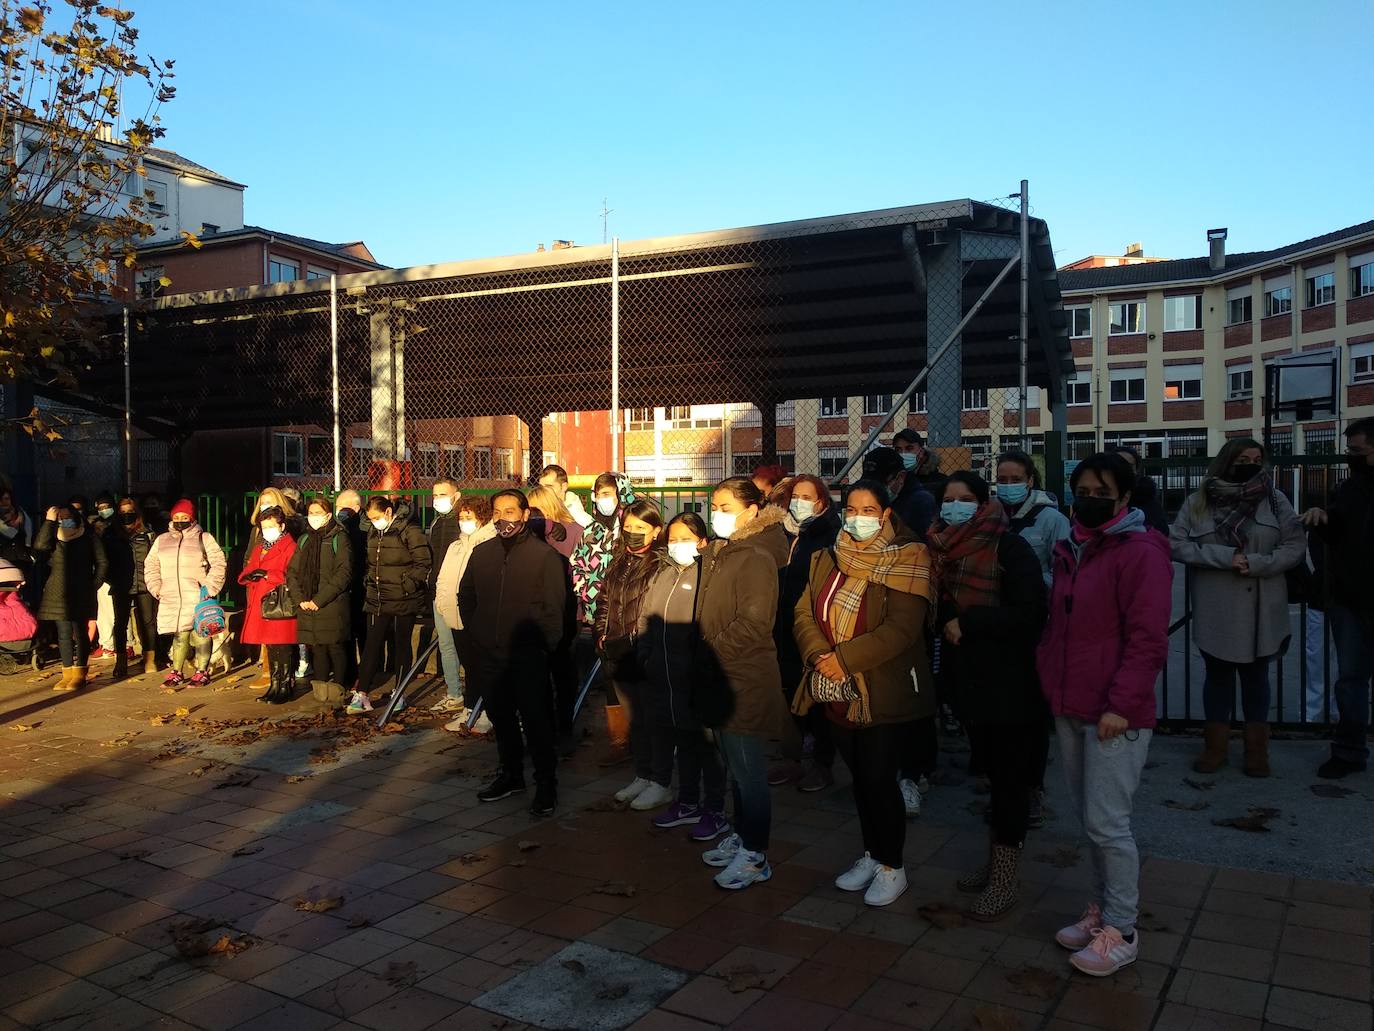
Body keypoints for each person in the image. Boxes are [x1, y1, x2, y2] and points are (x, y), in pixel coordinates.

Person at [1037, 452, 1172, 977]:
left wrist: (1122, 702)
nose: (1088, 498)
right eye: (1082, 488)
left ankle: (1123, 928)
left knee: (1108, 824)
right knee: (1090, 822)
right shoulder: (1073, 546)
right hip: (1071, 702)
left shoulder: (1139, 552)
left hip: (1116, 712)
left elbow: (1147, 638)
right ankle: (1100, 913)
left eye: (1101, 490)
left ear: (1124, 497)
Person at [792, 479, 934, 907]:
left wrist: (845, 659)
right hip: (834, 687)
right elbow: (803, 611)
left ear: (886, 514)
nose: (858, 517)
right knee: (859, 780)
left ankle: (894, 866)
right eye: (851, 508)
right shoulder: (827, 557)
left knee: (879, 779)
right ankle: (872, 854)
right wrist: (820, 654)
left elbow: (902, 630)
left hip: (880, 688)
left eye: (869, 510)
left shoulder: (909, 558)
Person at [927, 472, 1048, 919]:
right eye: (947, 499)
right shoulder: (941, 550)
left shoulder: (1009, 547)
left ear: (982, 504)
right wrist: (947, 620)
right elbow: (941, 609)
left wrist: (970, 622)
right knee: (994, 780)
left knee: (1010, 782)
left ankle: (1004, 879)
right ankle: (993, 862)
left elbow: (1032, 612)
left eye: (964, 500)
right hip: (970, 684)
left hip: (1010, 684)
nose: (954, 506)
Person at [1171, 439, 1305, 777]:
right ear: (1227, 461)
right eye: (1243, 459)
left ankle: (1256, 752)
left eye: (1257, 459)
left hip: (1262, 603)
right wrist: (1225, 558)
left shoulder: (1275, 500)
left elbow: (1295, 546)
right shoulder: (1198, 501)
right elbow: (1176, 544)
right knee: (1217, 678)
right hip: (1217, 604)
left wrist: (1259, 563)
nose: (1250, 464)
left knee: (1256, 679)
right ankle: (1214, 748)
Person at [695, 476, 790, 891]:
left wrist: (708, 651)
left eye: (725, 508)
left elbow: (753, 623)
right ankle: (742, 835)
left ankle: (756, 855)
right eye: (713, 506)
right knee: (734, 766)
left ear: (752, 512)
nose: (716, 515)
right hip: (718, 675)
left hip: (742, 678)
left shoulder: (757, 555)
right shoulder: (723, 551)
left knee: (749, 771)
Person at [459, 489, 568, 817]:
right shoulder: (482, 553)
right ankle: (511, 775)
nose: (502, 517)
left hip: (527, 655)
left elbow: (554, 609)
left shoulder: (544, 556)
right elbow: (467, 595)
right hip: (490, 653)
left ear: (524, 515)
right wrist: (476, 631)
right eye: (497, 511)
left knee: (536, 721)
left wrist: (543, 646)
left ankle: (546, 784)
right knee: (501, 718)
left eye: (510, 511)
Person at [638, 512, 730, 840]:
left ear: (702, 542)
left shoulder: (710, 575)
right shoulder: (663, 574)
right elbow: (647, 617)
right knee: (684, 743)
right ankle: (688, 801)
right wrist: (646, 656)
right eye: (673, 539)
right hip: (664, 677)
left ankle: (715, 808)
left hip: (696, 679)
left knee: (708, 748)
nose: (678, 545)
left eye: (686, 539)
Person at [995, 450, 1071, 826]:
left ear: (1030, 481)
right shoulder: (992, 518)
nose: (1007, 485)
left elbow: (1065, 578)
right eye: (1001, 478)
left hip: (1036, 626)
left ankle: (1032, 788)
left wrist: (1025, 576)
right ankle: (1003, 787)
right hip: (999, 626)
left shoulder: (1052, 520)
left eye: (1014, 479)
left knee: (1031, 712)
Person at [1301, 416, 1374, 779]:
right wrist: (1323, 520)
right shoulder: (1350, 488)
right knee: (1350, 679)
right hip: (1350, 599)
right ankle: (1348, 752)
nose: (1352, 456)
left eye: (1357, 450)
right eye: (1350, 450)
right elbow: (1338, 531)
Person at [597, 500, 671, 810]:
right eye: (628, 528)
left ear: (656, 530)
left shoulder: (660, 565)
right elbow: (604, 598)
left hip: (645, 651)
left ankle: (661, 781)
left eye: (641, 529)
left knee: (654, 719)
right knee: (635, 720)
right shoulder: (618, 560)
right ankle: (642, 774)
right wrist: (602, 630)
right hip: (617, 650)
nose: (633, 534)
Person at [770, 474, 842, 791]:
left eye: (806, 496)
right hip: (779, 626)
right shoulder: (780, 533)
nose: (798, 502)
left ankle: (823, 764)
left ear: (821, 502)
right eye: (794, 496)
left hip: (811, 628)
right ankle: (792, 759)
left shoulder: (829, 535)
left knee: (815, 699)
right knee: (787, 696)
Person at [569, 471, 637, 759]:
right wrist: (589, 592)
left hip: (630, 616)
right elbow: (577, 565)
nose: (601, 499)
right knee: (610, 676)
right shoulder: (592, 531)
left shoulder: (633, 528)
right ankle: (619, 740)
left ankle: (642, 737)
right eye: (598, 493)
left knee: (633, 678)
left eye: (608, 493)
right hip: (600, 615)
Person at [351, 496, 431, 715]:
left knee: (402, 644)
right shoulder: (374, 531)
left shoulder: (410, 530)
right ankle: (362, 693)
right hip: (378, 597)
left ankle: (400, 692)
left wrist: (408, 585)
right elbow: (371, 561)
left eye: (376, 517)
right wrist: (370, 581)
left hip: (404, 597)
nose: (373, 522)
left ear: (388, 512)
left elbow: (423, 562)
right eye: (370, 518)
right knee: (371, 646)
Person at [144, 500, 227, 688]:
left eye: (184, 517)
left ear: (192, 518)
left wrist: (210, 587)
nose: (180, 521)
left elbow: (218, 562)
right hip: (171, 596)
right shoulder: (162, 540)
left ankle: (202, 671)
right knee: (179, 636)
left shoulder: (204, 538)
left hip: (198, 596)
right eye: (176, 518)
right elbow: (151, 565)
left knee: (201, 635)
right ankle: (177, 672)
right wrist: (156, 587)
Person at [527, 484, 584, 752]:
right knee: (564, 671)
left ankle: (548, 727)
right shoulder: (574, 530)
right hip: (569, 609)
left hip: (546, 608)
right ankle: (565, 727)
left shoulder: (542, 532)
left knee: (546, 672)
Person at [435, 495, 497, 729]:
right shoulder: (456, 545)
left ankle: (488, 712)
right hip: (455, 615)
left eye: (468, 517)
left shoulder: (489, 543)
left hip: (478, 617)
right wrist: (442, 602)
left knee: (482, 666)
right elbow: (444, 577)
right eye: (461, 517)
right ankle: (470, 708)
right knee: (469, 666)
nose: (463, 522)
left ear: (481, 517)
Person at [33, 504, 108, 692]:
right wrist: (49, 522)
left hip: (81, 591)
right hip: (57, 592)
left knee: (80, 632)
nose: (63, 521)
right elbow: (40, 547)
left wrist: (94, 584)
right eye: (59, 518)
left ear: (75, 518)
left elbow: (102, 562)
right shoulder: (54, 537)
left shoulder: (88, 537)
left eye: (66, 517)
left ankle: (80, 673)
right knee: (63, 634)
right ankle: (67, 673)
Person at [287, 498, 355, 703]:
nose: (314, 516)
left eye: (318, 512)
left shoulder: (339, 538)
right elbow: (292, 572)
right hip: (307, 603)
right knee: (317, 648)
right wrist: (300, 599)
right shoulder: (305, 539)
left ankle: (338, 691)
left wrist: (319, 599)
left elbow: (344, 572)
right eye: (311, 512)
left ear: (328, 515)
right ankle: (321, 691)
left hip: (331, 603)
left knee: (334, 646)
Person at [238, 506, 299, 704]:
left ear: (281, 526)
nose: (267, 531)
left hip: (279, 603)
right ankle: (275, 684)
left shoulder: (290, 546)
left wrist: (268, 575)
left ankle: (285, 685)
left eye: (271, 526)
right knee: (272, 647)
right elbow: (249, 567)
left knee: (283, 646)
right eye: (264, 527)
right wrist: (249, 575)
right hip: (263, 603)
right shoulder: (261, 546)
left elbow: (294, 576)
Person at [424, 478, 464, 713]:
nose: (438, 499)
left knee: (465, 644)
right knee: (446, 645)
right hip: (439, 590)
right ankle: (454, 692)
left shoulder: (462, 522)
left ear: (456, 496)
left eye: (443, 494)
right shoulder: (437, 522)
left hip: (459, 591)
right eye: (435, 495)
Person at [89, 492, 133, 678]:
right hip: (107, 578)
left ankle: (128, 648)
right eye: (100, 508)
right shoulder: (97, 528)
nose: (104, 510)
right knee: (108, 615)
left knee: (124, 618)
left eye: (107, 506)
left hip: (123, 577)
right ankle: (109, 647)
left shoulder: (120, 528)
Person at [118, 496, 162, 674]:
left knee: (148, 621)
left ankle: (150, 659)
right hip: (121, 583)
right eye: (123, 512)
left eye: (130, 512)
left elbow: (155, 558)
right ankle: (120, 660)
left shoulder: (148, 533)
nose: (127, 515)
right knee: (119, 623)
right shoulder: (112, 534)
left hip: (145, 582)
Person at [863, 446, 934, 540]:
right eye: (868, 485)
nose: (872, 491)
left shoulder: (920, 502)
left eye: (880, 484)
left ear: (901, 477)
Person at [334, 489, 368, 673]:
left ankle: (365, 673)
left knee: (363, 632)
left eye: (343, 507)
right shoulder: (339, 528)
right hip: (344, 588)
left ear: (356, 508)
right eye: (337, 507)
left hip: (361, 587)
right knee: (346, 632)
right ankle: (349, 672)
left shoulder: (365, 528)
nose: (339, 511)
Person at [1106, 446, 1169, 536]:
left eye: (1129, 466)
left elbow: (1162, 532)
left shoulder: (1147, 499)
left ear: (1136, 471)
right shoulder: (1099, 497)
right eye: (1118, 464)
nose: (1123, 469)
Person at [894, 428, 946, 499]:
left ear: (921, 452)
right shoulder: (892, 481)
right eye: (898, 450)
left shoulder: (940, 481)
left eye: (909, 448)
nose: (903, 453)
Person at [538, 463, 593, 528]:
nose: (543, 491)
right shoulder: (536, 510)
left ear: (564, 486)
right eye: (541, 487)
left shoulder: (580, 518)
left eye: (549, 487)